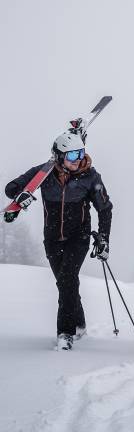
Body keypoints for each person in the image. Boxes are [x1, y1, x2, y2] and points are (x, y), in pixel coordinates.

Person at [4, 131, 112, 350]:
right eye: (72, 155)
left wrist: (103, 238)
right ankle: (79, 324)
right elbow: (11, 188)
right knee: (67, 283)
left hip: (78, 238)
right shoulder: (43, 173)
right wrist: (21, 195)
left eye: (80, 153)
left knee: (67, 280)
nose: (78, 159)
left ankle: (66, 333)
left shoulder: (90, 177)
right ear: (60, 157)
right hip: (52, 238)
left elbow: (105, 209)